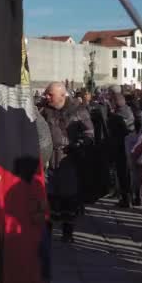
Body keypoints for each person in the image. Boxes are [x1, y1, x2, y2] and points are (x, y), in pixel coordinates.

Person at [40, 82, 94, 242]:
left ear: (62, 95)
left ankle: (67, 233)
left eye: (50, 94)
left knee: (68, 196)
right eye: (46, 94)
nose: (46, 97)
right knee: (47, 197)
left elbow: (90, 133)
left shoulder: (78, 111)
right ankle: (46, 232)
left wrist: (79, 144)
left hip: (69, 160)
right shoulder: (43, 111)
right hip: (48, 159)